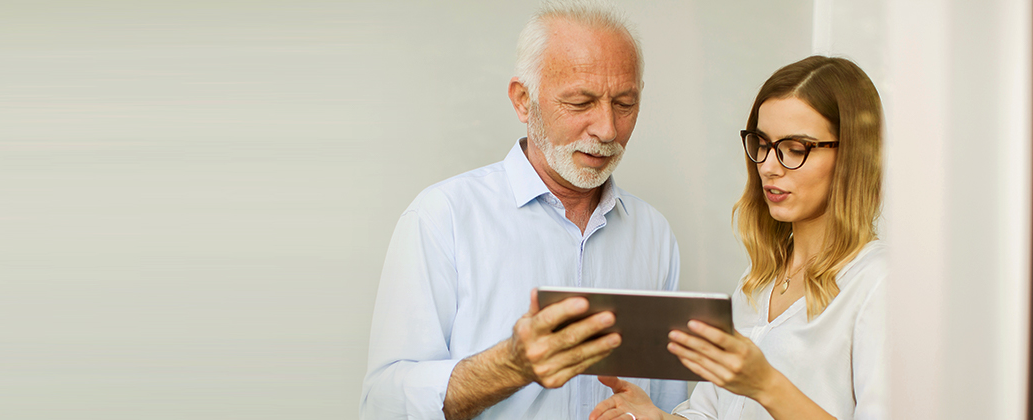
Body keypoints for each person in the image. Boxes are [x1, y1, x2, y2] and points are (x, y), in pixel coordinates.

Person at [360, 2, 689, 419]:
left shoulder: (654, 234)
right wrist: (509, 367)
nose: (607, 129)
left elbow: (672, 405)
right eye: (580, 102)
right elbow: (382, 406)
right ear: (522, 100)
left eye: (624, 103)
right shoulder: (442, 217)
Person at [588, 55, 887, 420]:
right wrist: (657, 418)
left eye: (795, 149)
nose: (769, 166)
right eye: (762, 143)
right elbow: (713, 412)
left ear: (852, 157)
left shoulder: (879, 284)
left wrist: (766, 384)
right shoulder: (758, 279)